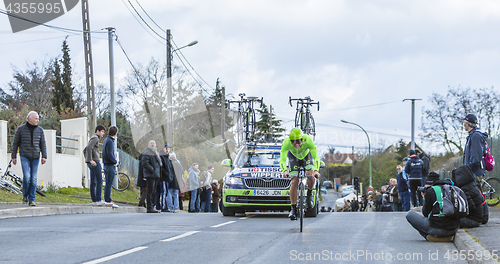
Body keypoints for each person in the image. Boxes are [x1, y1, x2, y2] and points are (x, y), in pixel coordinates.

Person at [406, 172, 460, 242]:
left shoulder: (431, 191)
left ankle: (429, 237)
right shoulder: (451, 189)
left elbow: (425, 213)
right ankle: (445, 236)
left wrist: (425, 199)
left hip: (439, 229)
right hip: (453, 228)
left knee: (410, 215)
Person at [280, 128, 320, 220]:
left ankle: (309, 193)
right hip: (293, 157)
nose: (296, 144)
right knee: (294, 181)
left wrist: (316, 170)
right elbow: (282, 159)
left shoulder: (307, 139)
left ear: (302, 139)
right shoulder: (286, 143)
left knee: (310, 173)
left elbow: (316, 157)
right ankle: (293, 208)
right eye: (293, 142)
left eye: (298, 141)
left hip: (306, 156)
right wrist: (285, 171)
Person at [11, 111, 47, 206]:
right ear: (30, 119)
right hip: (24, 156)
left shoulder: (40, 130)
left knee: (34, 179)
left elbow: (43, 143)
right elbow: (15, 144)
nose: (37, 120)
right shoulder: (20, 129)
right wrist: (13, 156)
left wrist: (44, 156)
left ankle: (32, 199)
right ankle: (25, 196)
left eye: (38, 119)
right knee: (27, 177)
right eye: (36, 119)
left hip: (35, 157)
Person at [84, 125, 106, 206]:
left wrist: (87, 161)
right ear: (98, 131)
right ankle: (98, 199)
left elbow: (85, 149)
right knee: (99, 181)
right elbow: (88, 148)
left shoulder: (93, 138)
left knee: (93, 181)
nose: (103, 133)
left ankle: (94, 200)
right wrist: (90, 160)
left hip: (92, 162)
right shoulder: (95, 138)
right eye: (102, 131)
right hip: (95, 162)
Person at [463, 114, 488, 180]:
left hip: (475, 172)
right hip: (472, 172)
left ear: (467, 123)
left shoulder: (475, 136)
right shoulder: (471, 136)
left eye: (464, 123)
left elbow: (476, 156)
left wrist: (469, 168)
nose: (463, 125)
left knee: (475, 190)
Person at [141, 140, 162, 213]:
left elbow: (159, 163)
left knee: (154, 191)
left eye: (154, 143)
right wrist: (152, 170)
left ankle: (152, 206)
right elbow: (145, 163)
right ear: (148, 144)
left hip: (156, 174)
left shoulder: (155, 152)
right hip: (151, 174)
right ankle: (149, 207)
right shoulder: (147, 152)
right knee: (150, 191)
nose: (153, 144)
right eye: (151, 143)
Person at [102, 126, 119, 208]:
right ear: (115, 133)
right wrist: (115, 161)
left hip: (106, 164)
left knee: (108, 183)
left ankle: (107, 199)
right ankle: (107, 200)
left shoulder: (106, 140)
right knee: (109, 183)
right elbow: (110, 154)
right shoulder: (110, 141)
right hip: (109, 165)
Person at [157, 144, 171, 212]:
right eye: (166, 148)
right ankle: (163, 206)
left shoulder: (167, 157)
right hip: (163, 177)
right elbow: (161, 167)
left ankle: (165, 205)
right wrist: (166, 173)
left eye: (168, 148)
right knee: (164, 192)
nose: (167, 150)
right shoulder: (161, 156)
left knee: (166, 192)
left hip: (167, 177)